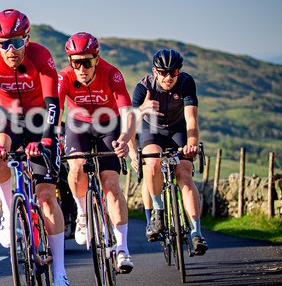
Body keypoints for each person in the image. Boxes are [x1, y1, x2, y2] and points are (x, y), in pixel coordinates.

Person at [0, 8, 70, 286]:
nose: (10, 49)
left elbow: (54, 104)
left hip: (41, 119)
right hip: (9, 117)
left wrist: (46, 140)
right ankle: (6, 209)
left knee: (46, 197)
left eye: (16, 42)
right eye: (3, 43)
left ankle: (60, 273)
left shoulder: (40, 56)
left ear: (27, 38)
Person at [57, 32, 136, 273]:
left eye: (87, 61)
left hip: (108, 125)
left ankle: (122, 248)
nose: (81, 67)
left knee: (110, 182)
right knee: (77, 166)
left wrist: (125, 138)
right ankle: (83, 213)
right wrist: (53, 137)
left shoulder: (111, 73)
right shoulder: (65, 77)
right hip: (78, 124)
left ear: (97, 59)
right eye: (76, 62)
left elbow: (129, 113)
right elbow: (55, 110)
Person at [128, 48, 208, 255]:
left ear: (178, 72)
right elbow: (130, 124)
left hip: (177, 129)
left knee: (184, 172)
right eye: (163, 72)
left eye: (173, 72)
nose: (168, 77)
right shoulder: (143, 87)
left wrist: (191, 143)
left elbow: (191, 119)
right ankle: (158, 211)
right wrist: (133, 153)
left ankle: (196, 233)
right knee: (152, 163)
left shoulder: (186, 83)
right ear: (155, 71)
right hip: (150, 129)